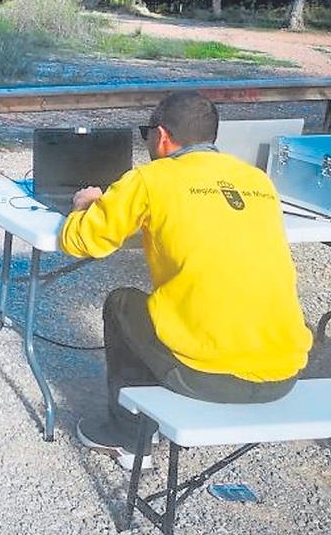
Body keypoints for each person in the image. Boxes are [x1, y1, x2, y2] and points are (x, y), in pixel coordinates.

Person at [60, 91, 311, 470]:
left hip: (207, 377)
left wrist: (84, 207)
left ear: (161, 136)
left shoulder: (151, 178)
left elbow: (80, 242)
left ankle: (130, 438)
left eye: (146, 132)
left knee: (123, 302)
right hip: (283, 373)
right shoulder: (257, 181)